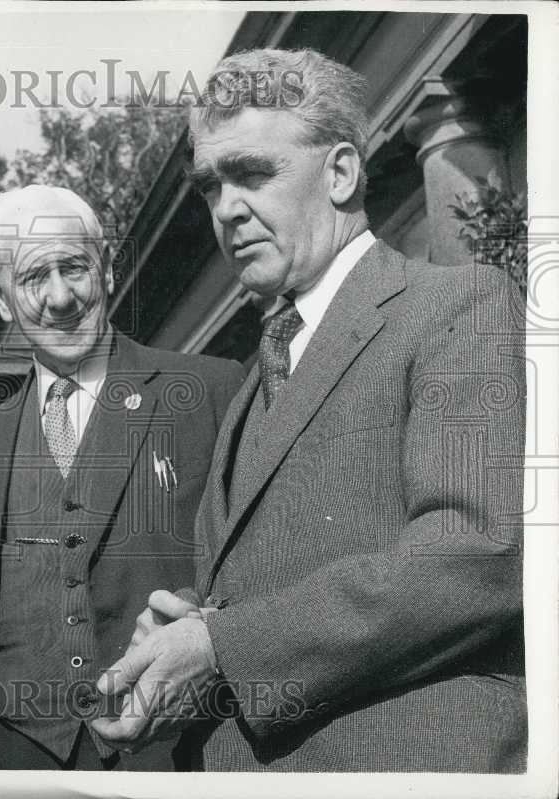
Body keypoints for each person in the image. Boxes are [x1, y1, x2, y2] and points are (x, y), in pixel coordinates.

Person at [91, 48, 526, 772]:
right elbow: (271, 587)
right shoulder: (252, 388)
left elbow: (475, 554)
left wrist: (223, 647)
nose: (227, 208)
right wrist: (187, 636)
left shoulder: (461, 306)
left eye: (254, 173)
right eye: (209, 186)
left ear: (343, 172)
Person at [0, 185, 245, 770]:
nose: (60, 297)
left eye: (75, 267)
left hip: (176, 752)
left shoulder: (211, 392)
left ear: (106, 268)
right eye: (34, 278)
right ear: (1, 298)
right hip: (18, 759)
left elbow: (268, 560)